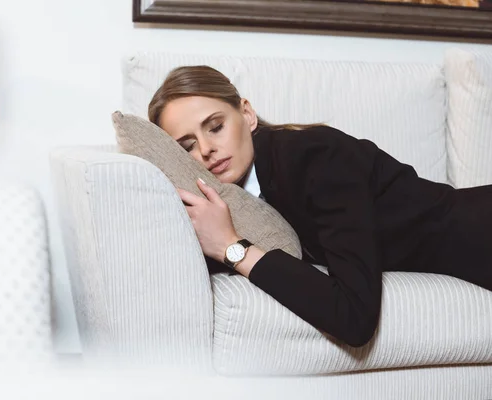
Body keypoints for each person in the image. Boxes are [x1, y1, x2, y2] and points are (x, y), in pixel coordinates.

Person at [147, 65, 492, 348]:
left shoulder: (316, 157)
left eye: (216, 126)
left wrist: (233, 247)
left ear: (248, 115)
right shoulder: (232, 202)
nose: (206, 150)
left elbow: (354, 318)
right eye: (188, 146)